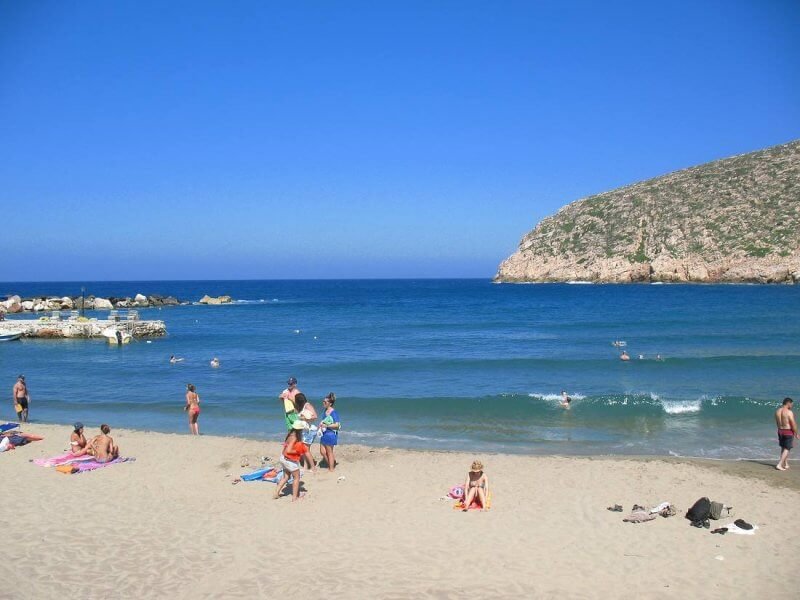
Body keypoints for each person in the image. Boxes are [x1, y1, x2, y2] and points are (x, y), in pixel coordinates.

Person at [274, 421, 308, 501]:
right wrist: (298, 451)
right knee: (296, 477)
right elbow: (288, 451)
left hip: (283, 458)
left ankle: (276, 493)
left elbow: (286, 447)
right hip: (289, 461)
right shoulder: (295, 437)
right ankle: (294, 497)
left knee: (286, 477)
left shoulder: (290, 434)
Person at [295, 393, 318, 470]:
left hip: (310, 430)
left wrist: (304, 418)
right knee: (304, 449)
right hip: (305, 430)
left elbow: (315, 416)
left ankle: (313, 467)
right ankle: (305, 466)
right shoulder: (302, 407)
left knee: (306, 450)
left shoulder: (307, 405)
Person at [775, 397, 798, 471]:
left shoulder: (777, 411)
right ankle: (779, 464)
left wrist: (780, 430)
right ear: (788, 403)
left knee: (783, 447)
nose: (792, 406)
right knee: (787, 448)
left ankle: (785, 464)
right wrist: (796, 433)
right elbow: (793, 424)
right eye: (791, 404)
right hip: (788, 431)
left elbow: (777, 423)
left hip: (780, 430)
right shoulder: (789, 412)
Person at [319, 393, 340, 472]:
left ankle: (331, 469)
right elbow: (325, 420)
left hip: (330, 434)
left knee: (329, 452)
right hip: (324, 433)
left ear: (330, 403)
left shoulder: (333, 412)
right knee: (322, 452)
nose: (323, 403)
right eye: (323, 401)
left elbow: (337, 425)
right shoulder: (325, 410)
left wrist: (326, 426)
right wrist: (321, 424)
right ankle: (331, 463)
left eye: (325, 402)